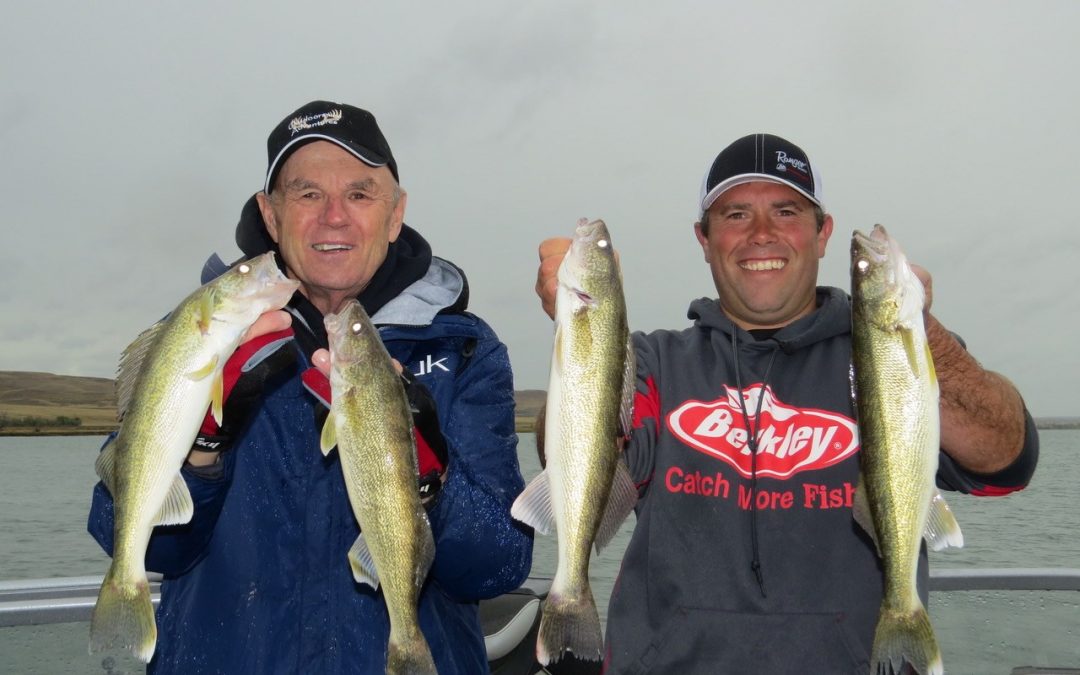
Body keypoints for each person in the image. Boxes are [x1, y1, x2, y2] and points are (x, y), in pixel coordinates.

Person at [534, 133, 1039, 674]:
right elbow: (569, 454)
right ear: (703, 239)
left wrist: (918, 328)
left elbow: (1007, 462)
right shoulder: (655, 364)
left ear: (823, 233)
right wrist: (588, 329)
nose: (761, 234)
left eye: (786, 210)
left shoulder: (890, 363)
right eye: (734, 215)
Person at [88, 100, 533, 674]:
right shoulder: (202, 339)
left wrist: (430, 480)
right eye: (307, 194)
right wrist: (203, 449)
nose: (335, 217)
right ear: (270, 217)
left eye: (360, 193)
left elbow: (497, 566)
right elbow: (145, 545)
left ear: (395, 215)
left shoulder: (463, 351)